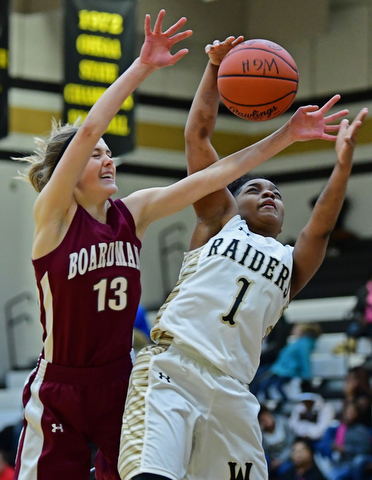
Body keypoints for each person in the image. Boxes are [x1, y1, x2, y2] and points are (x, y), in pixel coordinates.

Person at [118, 35, 368, 480]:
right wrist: (214, 69)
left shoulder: (290, 263)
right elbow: (197, 136)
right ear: (234, 198)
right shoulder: (218, 220)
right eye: (255, 188)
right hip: (173, 368)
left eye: (275, 192)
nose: (268, 193)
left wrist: (343, 165)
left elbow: (322, 227)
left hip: (233, 391)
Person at [256, 323, 322, 402]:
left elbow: (304, 360)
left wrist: (307, 377)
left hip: (285, 370)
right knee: (263, 383)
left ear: (303, 331)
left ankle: (283, 401)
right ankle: (271, 400)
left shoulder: (304, 344)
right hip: (279, 368)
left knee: (273, 385)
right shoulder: (300, 343)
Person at [315, 401, 372, 480]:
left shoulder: (361, 430)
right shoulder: (339, 428)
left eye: (352, 411)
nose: (349, 414)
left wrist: (345, 449)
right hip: (340, 461)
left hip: (353, 461)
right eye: (347, 411)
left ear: (357, 413)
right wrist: (333, 447)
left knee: (336, 476)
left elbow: (365, 449)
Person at [258, 403, 295, 479]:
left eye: (267, 416)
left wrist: (280, 460)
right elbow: (265, 451)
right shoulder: (262, 434)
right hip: (274, 458)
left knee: (284, 470)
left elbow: (292, 443)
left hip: (289, 454)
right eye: (263, 419)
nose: (266, 420)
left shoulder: (283, 422)